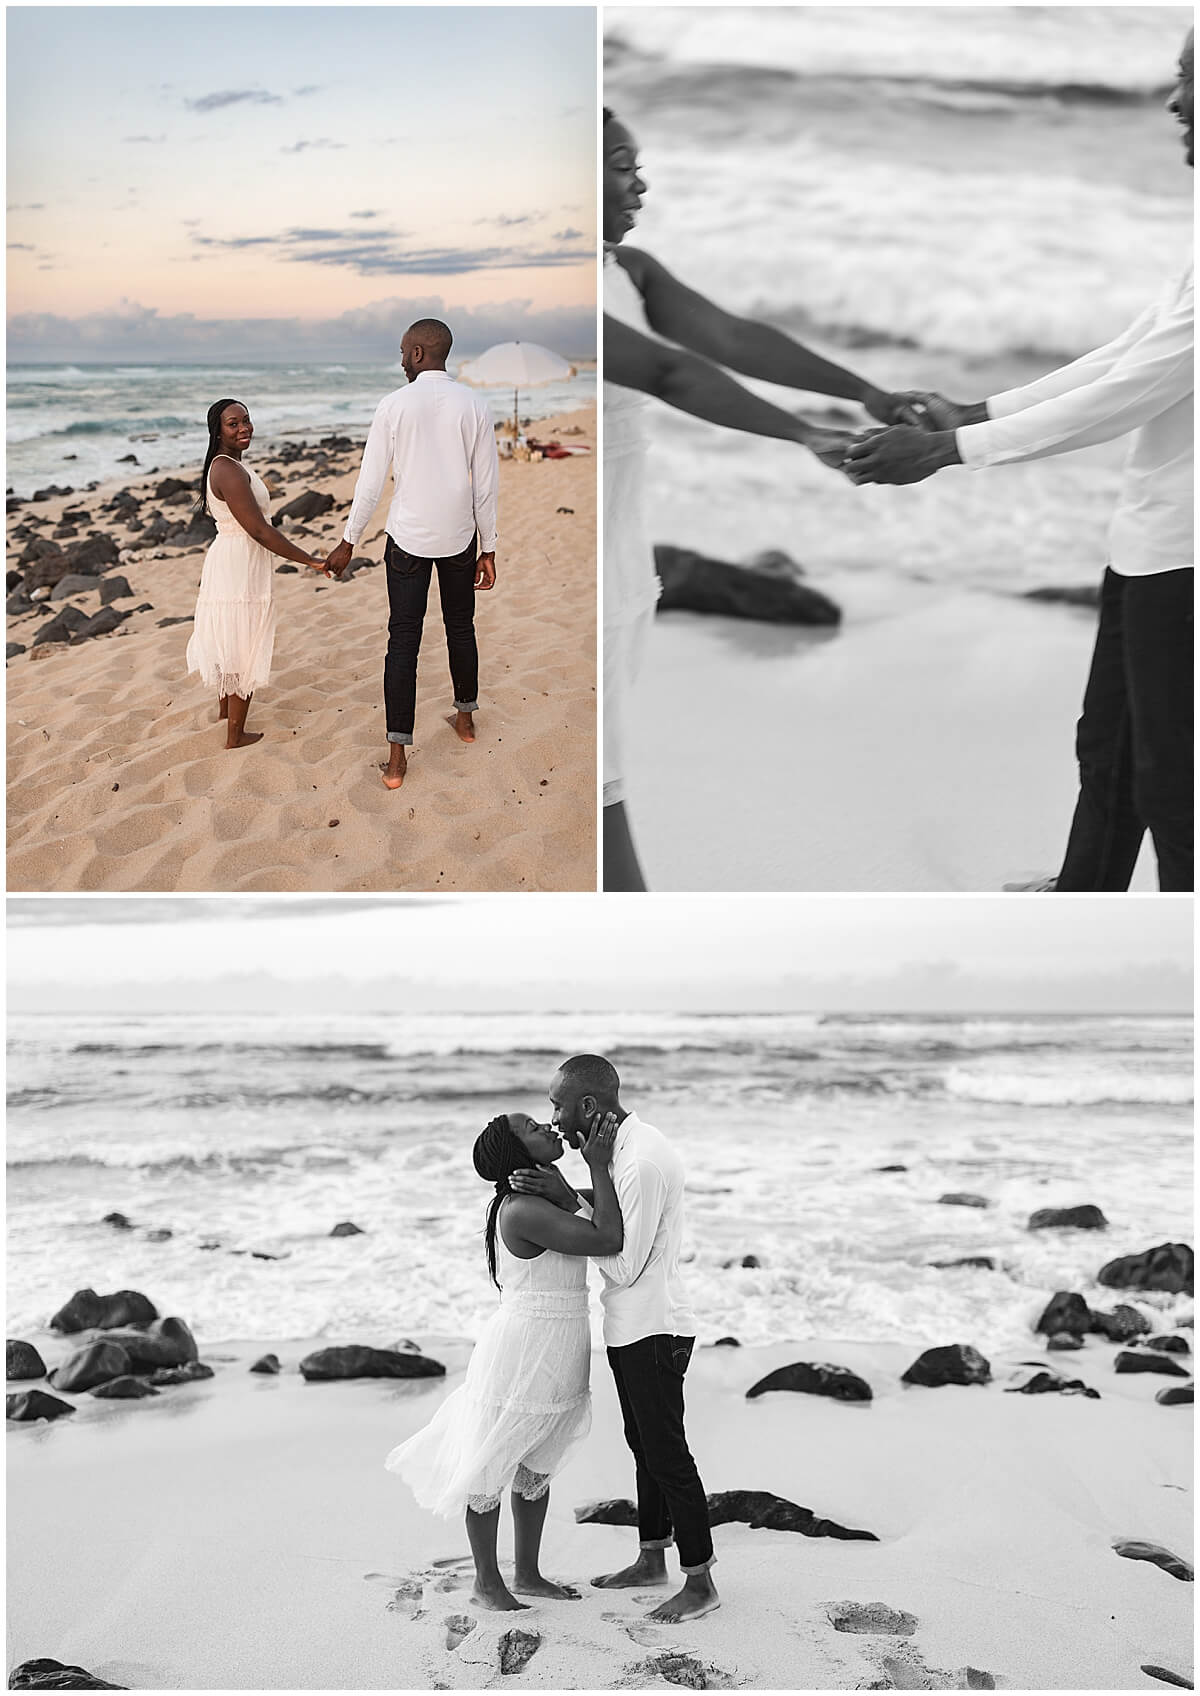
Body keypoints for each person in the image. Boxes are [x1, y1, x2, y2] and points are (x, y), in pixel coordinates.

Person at [846, 31, 1194, 894]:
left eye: (1191, 78)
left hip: (1188, 551)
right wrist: (981, 411)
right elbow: (1130, 351)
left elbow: (1133, 393)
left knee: (1173, 782)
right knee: (1108, 748)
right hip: (1154, 536)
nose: (1175, 103)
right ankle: (1084, 902)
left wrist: (952, 448)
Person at [601, 107, 917, 890]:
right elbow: (670, 374)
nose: (639, 183)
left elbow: (733, 338)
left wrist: (867, 393)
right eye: (618, 165)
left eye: (637, 165)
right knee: (593, 767)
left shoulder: (630, 269)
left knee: (590, 758)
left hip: (617, 541)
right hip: (566, 550)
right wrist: (804, 434)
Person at [385, 1110, 622, 1613]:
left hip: (560, 1341)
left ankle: (529, 1574)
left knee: (536, 1467)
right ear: (520, 1157)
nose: (546, 1126)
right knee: (489, 1469)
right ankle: (487, 1583)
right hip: (524, 1349)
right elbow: (607, 1238)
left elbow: (598, 1212)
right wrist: (592, 1169)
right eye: (533, 1127)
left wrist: (567, 1188)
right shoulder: (521, 1210)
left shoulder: (546, 1196)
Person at [511, 1053, 718, 1623]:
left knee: (668, 1454)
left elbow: (622, 1262)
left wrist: (582, 1184)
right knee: (643, 1444)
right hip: (632, 1325)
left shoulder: (639, 1162)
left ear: (588, 1106)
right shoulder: (621, 1153)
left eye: (557, 1105)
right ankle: (652, 1558)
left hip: (655, 1326)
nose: (553, 1118)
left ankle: (700, 1581)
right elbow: (613, 1226)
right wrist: (568, 1191)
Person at [325, 319, 499, 792]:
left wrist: (348, 540)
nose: (400, 360)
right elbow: (485, 486)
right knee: (461, 628)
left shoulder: (394, 406)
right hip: (460, 538)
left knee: (403, 641)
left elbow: (370, 482)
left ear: (420, 354)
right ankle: (465, 722)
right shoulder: (475, 404)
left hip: (407, 541)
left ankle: (397, 761)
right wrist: (490, 547)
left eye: (404, 352)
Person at [185, 398, 329, 749]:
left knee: (230, 637)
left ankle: (224, 713)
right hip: (239, 559)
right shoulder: (228, 470)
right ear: (218, 431)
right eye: (233, 423)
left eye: (246, 420)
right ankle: (235, 736)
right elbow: (260, 531)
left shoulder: (229, 465)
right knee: (242, 641)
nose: (244, 427)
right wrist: (310, 560)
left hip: (233, 556)